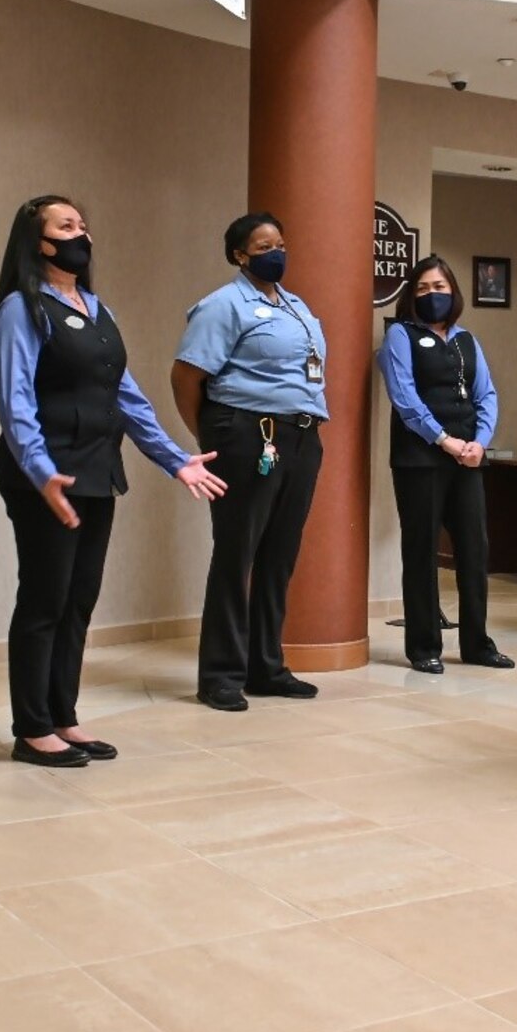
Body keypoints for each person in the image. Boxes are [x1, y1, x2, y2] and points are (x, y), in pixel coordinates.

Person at [0, 195, 227, 765]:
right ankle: (31, 727)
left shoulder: (98, 309)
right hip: (43, 475)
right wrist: (41, 471)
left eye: (83, 225)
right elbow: (15, 399)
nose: (80, 233)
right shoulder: (22, 309)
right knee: (45, 599)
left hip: (98, 471)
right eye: (66, 225)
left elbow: (128, 397)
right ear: (38, 241)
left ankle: (63, 716)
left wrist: (175, 459)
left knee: (78, 600)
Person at [170, 213, 328, 711]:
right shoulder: (223, 305)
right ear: (240, 254)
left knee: (278, 558)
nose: (275, 251)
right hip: (246, 436)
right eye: (263, 245)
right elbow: (185, 376)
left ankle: (267, 666)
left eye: (281, 242)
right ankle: (220, 673)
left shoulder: (298, 306)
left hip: (302, 437)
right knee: (236, 554)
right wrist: (214, 435)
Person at [377, 255, 516, 674]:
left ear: (453, 292)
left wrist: (479, 443)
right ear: (411, 296)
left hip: (468, 461)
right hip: (420, 459)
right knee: (421, 552)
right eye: (422, 288)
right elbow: (404, 398)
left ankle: (477, 644)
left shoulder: (467, 339)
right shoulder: (400, 335)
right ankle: (423, 646)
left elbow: (487, 394)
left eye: (439, 287)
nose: (432, 295)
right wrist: (446, 440)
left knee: (474, 551)